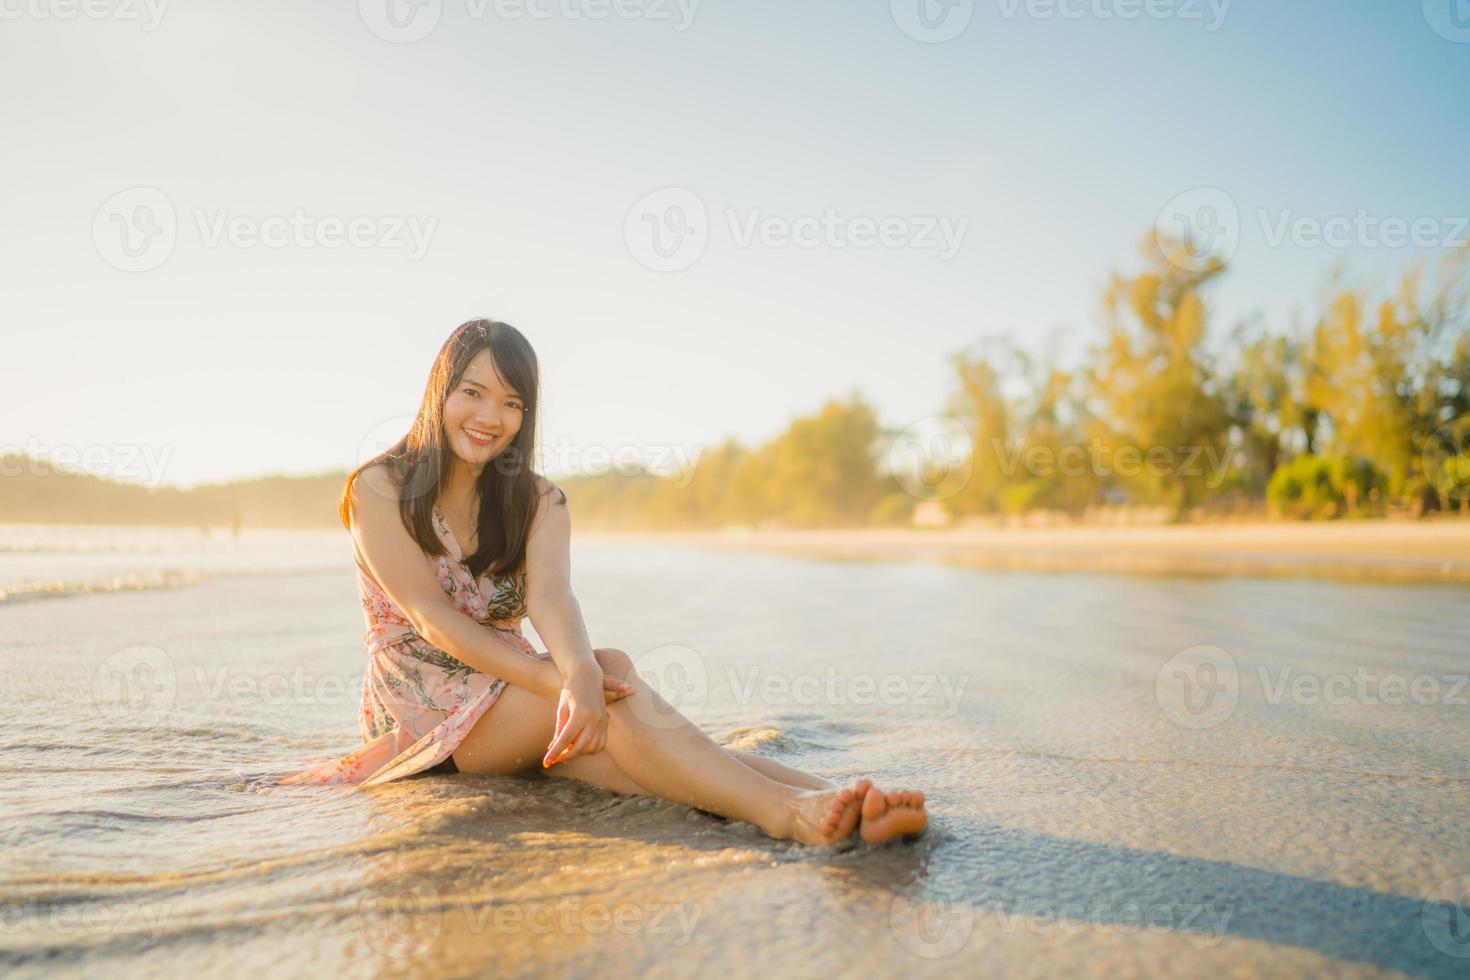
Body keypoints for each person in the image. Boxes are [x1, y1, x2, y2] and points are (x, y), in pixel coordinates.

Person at [276, 319, 927, 846]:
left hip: (511, 699)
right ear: (438, 392)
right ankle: (791, 814)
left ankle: (831, 800)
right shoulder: (380, 487)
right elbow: (426, 615)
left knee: (651, 759)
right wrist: (568, 680)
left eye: (510, 402)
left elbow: (553, 598)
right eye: (472, 392)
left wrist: (577, 674)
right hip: (423, 720)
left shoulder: (538, 501)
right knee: (616, 686)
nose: (488, 415)